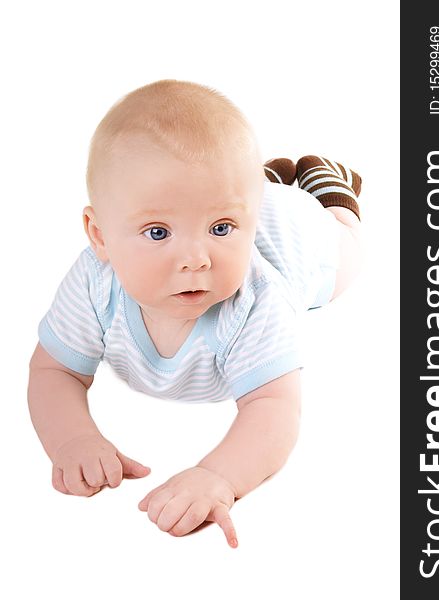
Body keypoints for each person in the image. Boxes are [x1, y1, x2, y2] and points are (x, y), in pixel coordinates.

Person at [27, 79, 363, 549]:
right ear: (99, 236)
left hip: (289, 239)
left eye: (220, 228)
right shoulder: (94, 283)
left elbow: (275, 408)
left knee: (344, 256)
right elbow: (52, 370)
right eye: (159, 232)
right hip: (249, 209)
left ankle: (324, 186)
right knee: (214, 196)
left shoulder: (255, 300)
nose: (196, 259)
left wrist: (220, 476)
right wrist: (71, 440)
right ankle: (251, 190)